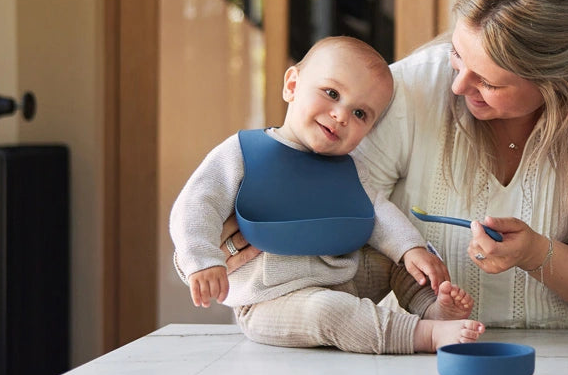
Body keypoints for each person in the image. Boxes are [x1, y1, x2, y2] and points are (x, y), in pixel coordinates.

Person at [224, 0, 568, 329]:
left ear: (559, 86)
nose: (459, 86)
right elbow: (340, 201)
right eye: (458, 55)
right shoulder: (410, 90)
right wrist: (260, 221)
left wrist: (538, 254)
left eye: (490, 81)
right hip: (424, 362)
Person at [170, 36, 485, 353]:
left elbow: (377, 211)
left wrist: (411, 249)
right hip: (271, 300)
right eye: (331, 94)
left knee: (394, 260)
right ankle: (422, 335)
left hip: (342, 279)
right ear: (292, 85)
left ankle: (431, 308)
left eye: (361, 114)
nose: (341, 115)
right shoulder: (242, 153)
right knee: (328, 311)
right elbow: (197, 204)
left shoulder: (349, 169)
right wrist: (202, 260)